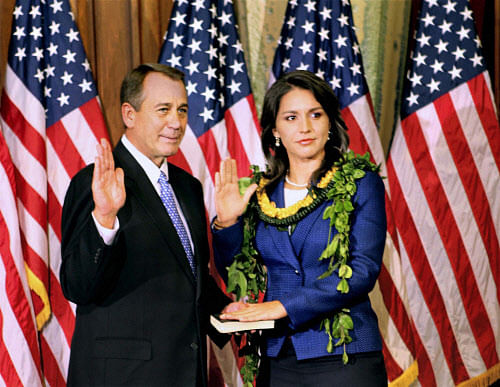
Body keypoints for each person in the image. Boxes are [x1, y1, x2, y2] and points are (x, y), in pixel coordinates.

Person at [211, 70, 388, 386]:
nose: (305, 127)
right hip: (279, 358)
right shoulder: (259, 193)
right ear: (275, 129)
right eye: (291, 117)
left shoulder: (361, 183)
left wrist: (281, 306)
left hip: (345, 356)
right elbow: (237, 274)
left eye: (315, 115)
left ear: (329, 122)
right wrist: (228, 222)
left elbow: (362, 271)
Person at [60, 63, 232, 386]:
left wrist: (236, 314)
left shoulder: (188, 188)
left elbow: (190, 281)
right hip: (123, 378)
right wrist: (105, 219)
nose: (176, 122)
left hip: (185, 375)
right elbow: (76, 285)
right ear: (130, 114)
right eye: (163, 110)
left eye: (182, 110)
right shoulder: (95, 183)